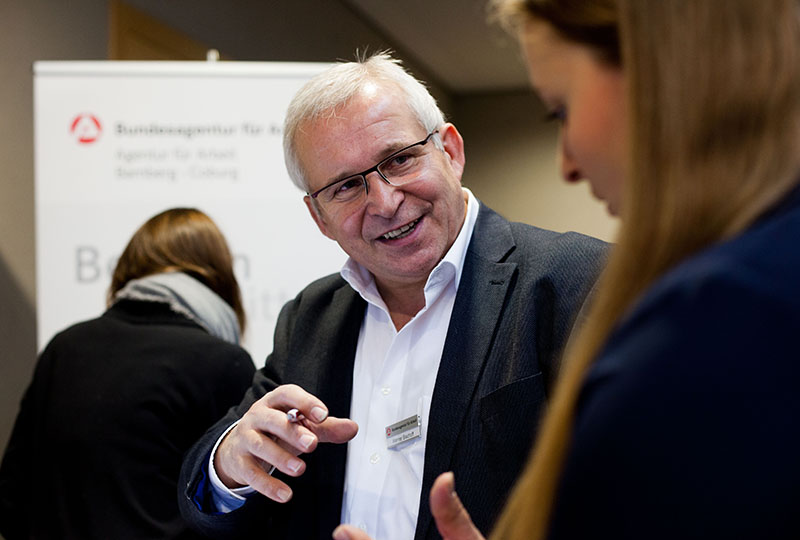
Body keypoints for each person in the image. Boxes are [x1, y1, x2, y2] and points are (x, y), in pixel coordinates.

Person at [335, 0, 800, 539]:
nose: (568, 163)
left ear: (662, 76)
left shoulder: (725, 316)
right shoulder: (310, 316)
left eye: (561, 111)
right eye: (345, 186)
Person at [177, 52, 607, 540]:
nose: (384, 202)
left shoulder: (580, 284)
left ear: (450, 150)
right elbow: (218, 496)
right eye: (345, 186)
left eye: (399, 159)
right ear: (319, 217)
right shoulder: (311, 318)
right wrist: (231, 459)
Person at [0, 208, 256, 539]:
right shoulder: (225, 363)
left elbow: (11, 501)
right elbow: (246, 515)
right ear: (221, 280)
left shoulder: (64, 348)